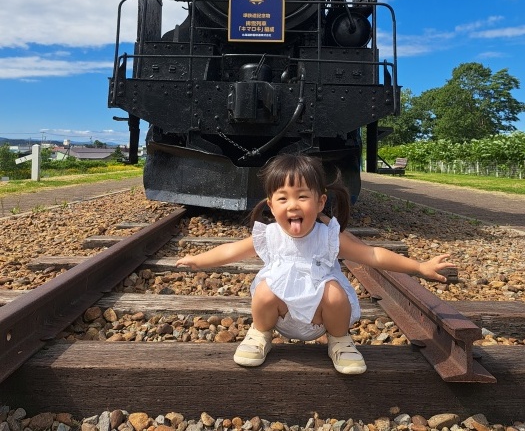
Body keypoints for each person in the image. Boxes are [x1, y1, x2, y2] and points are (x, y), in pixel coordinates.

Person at [175, 154, 456, 374]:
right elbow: (231, 251)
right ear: (272, 207)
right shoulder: (270, 235)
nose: (292, 205)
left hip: (321, 319)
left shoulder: (328, 236)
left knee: (334, 291)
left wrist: (419, 267)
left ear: (321, 202)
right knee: (265, 290)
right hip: (281, 318)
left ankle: (340, 341)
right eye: (282, 198)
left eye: (302, 196)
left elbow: (372, 255)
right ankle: (260, 335)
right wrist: (198, 261)